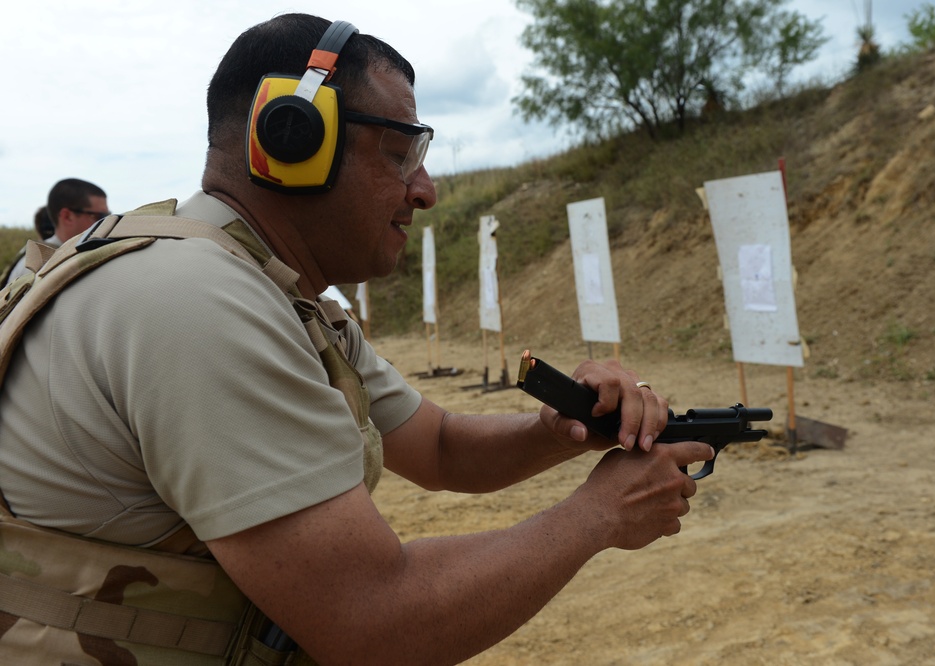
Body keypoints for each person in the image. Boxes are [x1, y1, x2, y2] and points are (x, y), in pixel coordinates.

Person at [0, 13, 713, 665]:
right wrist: (598, 515)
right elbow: (377, 622)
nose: (425, 189)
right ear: (291, 137)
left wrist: (562, 428)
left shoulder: (267, 287)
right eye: (401, 151)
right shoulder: (199, 301)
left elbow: (437, 447)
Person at [1, 178, 110, 287]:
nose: (106, 222)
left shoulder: (63, 256)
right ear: (67, 217)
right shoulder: (38, 264)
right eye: (98, 216)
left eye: (108, 216)